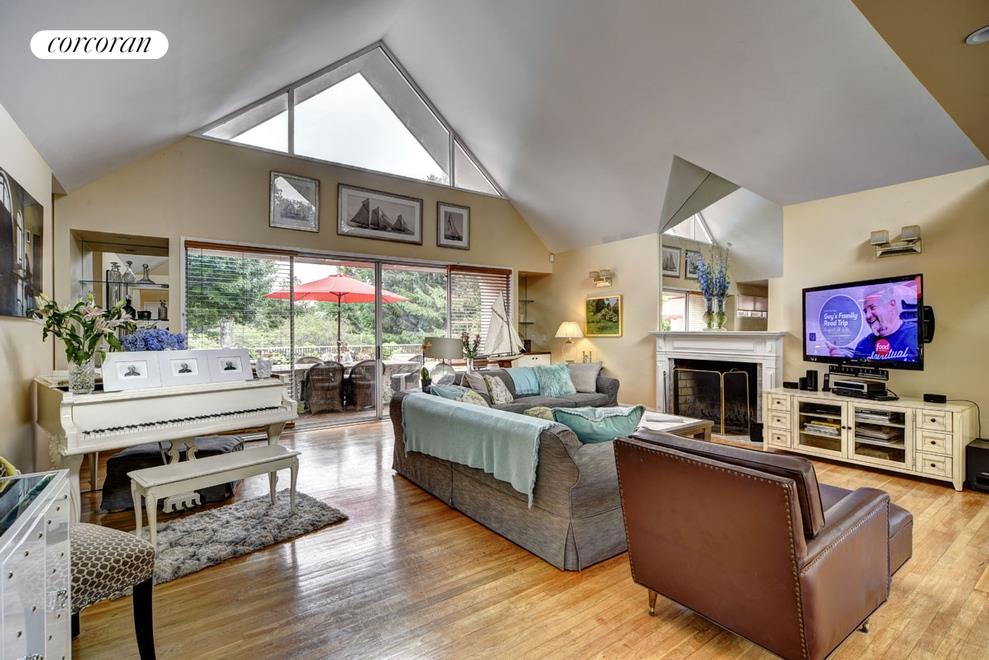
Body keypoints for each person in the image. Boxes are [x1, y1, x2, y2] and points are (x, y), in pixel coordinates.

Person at [828, 285, 918, 361]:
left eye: (872, 308)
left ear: (892, 304)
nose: (867, 316)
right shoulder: (863, 345)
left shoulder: (915, 333)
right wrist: (841, 360)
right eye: (865, 311)